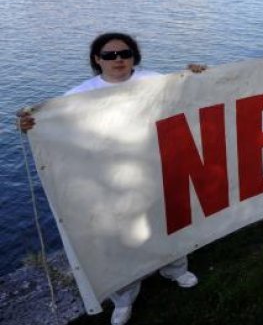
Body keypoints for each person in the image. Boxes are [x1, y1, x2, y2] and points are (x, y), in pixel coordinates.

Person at [17, 32, 205, 325]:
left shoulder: (153, 80)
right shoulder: (81, 94)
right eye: (109, 55)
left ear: (134, 56)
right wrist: (32, 124)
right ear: (97, 59)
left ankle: (176, 269)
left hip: (156, 169)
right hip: (112, 179)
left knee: (168, 222)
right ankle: (124, 295)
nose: (118, 60)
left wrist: (197, 77)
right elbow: (53, 122)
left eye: (125, 53)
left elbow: (188, 94)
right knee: (118, 235)